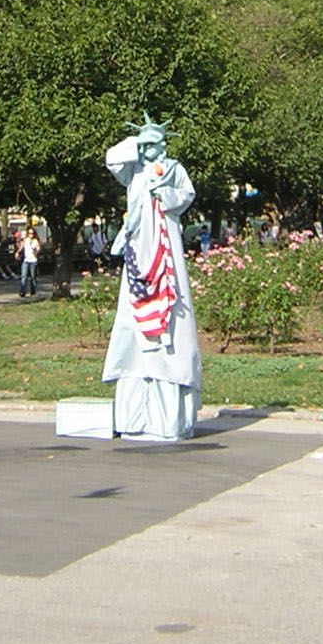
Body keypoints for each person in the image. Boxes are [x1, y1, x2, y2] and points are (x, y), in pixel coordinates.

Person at [102, 114, 201, 442]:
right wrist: (137, 141)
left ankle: (169, 416)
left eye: (154, 144)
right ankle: (135, 416)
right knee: (132, 322)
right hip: (138, 252)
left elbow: (186, 194)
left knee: (174, 320)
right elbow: (112, 159)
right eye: (144, 145)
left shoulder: (174, 169)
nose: (148, 151)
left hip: (166, 247)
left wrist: (164, 193)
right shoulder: (133, 171)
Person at [18, 226, 41, 299]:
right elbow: (21, 247)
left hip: (33, 260)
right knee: (23, 276)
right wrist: (18, 252)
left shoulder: (35, 241)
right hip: (26, 260)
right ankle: (22, 291)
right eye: (29, 233)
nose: (31, 235)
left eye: (32, 233)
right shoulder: (26, 240)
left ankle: (33, 291)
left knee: (33, 277)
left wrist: (36, 250)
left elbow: (38, 249)